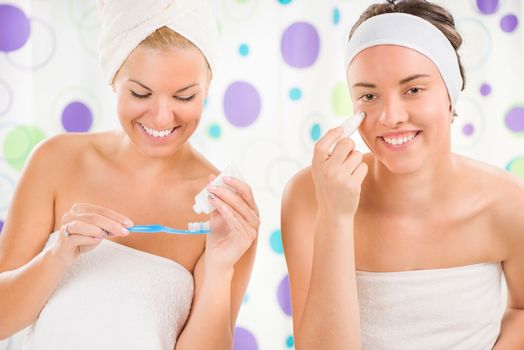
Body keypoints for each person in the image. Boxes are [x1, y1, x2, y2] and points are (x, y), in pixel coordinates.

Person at [0, 0, 259, 349]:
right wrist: (56, 256)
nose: (162, 118)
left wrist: (219, 269)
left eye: (184, 96)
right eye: (141, 93)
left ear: (208, 86)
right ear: (113, 79)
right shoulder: (55, 161)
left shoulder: (226, 211)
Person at [281, 0, 524, 349]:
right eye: (369, 95)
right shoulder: (309, 196)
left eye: (413, 90)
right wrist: (334, 216)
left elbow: (521, 308)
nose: (390, 116)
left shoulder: (511, 203)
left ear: (450, 94)